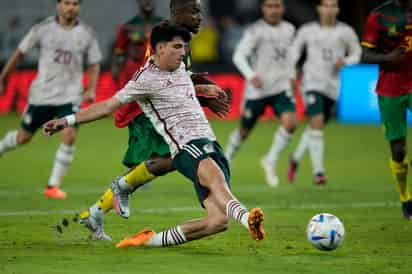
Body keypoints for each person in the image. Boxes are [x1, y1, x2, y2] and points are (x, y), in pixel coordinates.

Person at [43, 22, 265, 248]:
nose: (183, 52)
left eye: (184, 47)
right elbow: (107, 107)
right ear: (159, 48)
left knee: (218, 221)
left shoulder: (179, 67)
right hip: (186, 147)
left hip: (210, 144)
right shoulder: (145, 80)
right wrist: (67, 120)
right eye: (177, 47)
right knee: (216, 181)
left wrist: (201, 90)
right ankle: (248, 220)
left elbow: (178, 88)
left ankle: (147, 242)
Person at [77, 0, 230, 241]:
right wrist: (202, 94)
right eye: (195, 12)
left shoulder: (179, 41)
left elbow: (178, 82)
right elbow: (159, 83)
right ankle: (111, 197)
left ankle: (97, 211)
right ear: (178, 12)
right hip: (143, 112)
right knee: (175, 158)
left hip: (148, 108)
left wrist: (200, 90)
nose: (200, 17)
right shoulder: (163, 40)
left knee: (171, 160)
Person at [0, 0, 101, 199]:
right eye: (66, 3)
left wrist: (91, 89)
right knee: (23, 138)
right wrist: (3, 78)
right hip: (42, 94)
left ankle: (52, 186)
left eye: (75, 3)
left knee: (70, 134)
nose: (71, 7)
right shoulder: (43, 29)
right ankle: (2, 146)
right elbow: (19, 53)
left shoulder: (87, 33)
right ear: (58, 5)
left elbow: (94, 63)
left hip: (70, 95)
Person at [287, 0, 361, 185]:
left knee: (315, 126)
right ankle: (318, 172)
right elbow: (294, 51)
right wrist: (292, 70)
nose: (329, 9)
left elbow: (357, 53)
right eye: (325, 5)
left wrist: (345, 61)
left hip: (332, 86)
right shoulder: (308, 30)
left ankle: (295, 158)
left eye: (333, 5)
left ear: (337, 9)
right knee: (317, 122)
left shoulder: (345, 31)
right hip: (311, 82)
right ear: (319, 8)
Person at [225, 0, 296, 187]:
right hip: (258, 91)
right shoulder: (255, 31)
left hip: (281, 88)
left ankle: (270, 160)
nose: (273, 10)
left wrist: (292, 75)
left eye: (277, 5)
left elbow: (290, 56)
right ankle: (226, 159)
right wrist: (251, 75)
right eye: (270, 6)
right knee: (244, 131)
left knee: (290, 124)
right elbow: (238, 56)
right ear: (263, 9)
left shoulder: (289, 29)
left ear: (283, 8)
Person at [361, 0, 412, 220]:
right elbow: (364, 55)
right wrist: (387, 58)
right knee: (398, 150)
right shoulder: (379, 16)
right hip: (391, 88)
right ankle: (405, 197)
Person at [111, 0, 163, 88]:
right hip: (135, 74)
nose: (148, 2)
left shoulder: (165, 26)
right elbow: (119, 52)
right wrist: (115, 73)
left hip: (160, 74)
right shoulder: (128, 27)